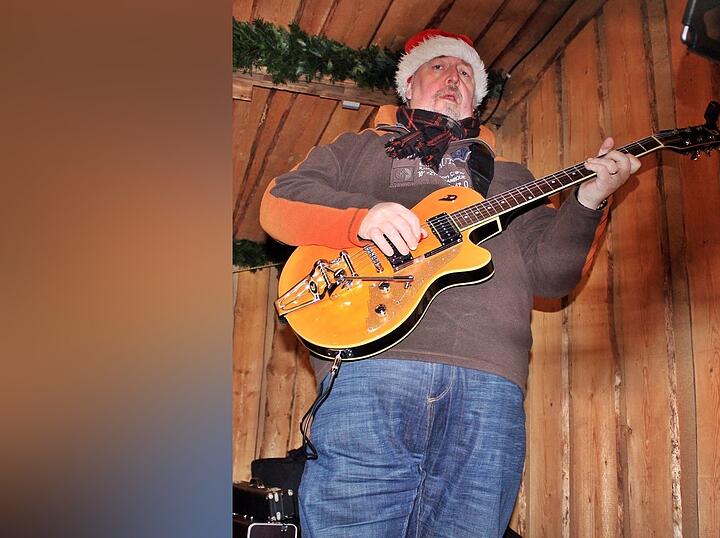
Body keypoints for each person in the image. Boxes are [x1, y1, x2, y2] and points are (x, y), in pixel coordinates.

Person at [259, 28, 640, 538]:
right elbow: (280, 200)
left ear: (475, 99)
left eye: (466, 73)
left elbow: (553, 275)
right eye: (438, 67)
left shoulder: (512, 178)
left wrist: (589, 200)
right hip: (372, 369)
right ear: (408, 85)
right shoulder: (357, 149)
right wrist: (361, 218)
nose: (453, 77)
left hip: (489, 383)